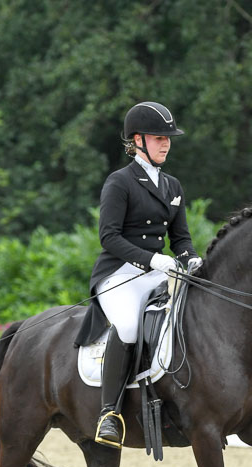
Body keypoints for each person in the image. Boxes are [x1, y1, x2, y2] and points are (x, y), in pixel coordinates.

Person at [74, 101, 201, 449]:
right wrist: (152, 260)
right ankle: (109, 413)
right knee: (129, 326)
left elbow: (181, 237)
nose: (166, 144)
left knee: (190, 313)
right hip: (119, 274)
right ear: (138, 140)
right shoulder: (121, 182)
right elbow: (109, 237)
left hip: (157, 272)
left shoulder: (173, 186)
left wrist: (190, 258)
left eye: (169, 138)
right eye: (159, 137)